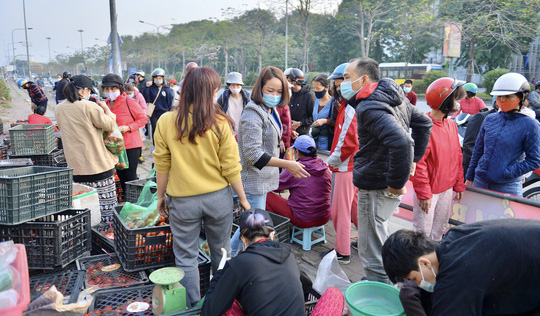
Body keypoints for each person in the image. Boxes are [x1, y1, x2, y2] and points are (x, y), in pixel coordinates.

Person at [153, 67, 250, 307]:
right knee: (222, 252)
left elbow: (162, 164)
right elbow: (231, 166)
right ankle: (222, 304)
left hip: (182, 201)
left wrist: (161, 196)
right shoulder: (219, 122)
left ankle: (193, 307)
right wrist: (243, 199)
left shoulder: (166, 121)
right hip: (218, 199)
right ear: (213, 91)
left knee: (185, 256)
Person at [343, 57, 432, 283]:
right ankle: (387, 285)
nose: (341, 83)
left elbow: (402, 142)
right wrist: (413, 161)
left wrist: (396, 183)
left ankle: (379, 293)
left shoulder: (369, 105)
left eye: (346, 78)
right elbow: (423, 124)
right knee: (379, 235)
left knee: (371, 249)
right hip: (384, 180)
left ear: (363, 79)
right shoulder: (393, 95)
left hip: (376, 184)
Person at [382, 219, 540, 316]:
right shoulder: (455, 236)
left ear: (424, 263)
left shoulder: (458, 276)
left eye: (414, 279)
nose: (417, 284)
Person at [202, 209, 305, 316]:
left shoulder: (238, 264)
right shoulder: (289, 255)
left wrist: (219, 273)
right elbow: (306, 285)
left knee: (228, 303)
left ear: (243, 239)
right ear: (272, 235)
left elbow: (209, 311)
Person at [238, 66, 309, 210]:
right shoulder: (253, 113)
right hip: (254, 182)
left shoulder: (271, 109)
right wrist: (287, 164)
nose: (275, 95)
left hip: (264, 179)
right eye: (270, 91)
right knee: (254, 228)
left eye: (280, 92)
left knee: (252, 228)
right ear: (260, 88)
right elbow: (253, 154)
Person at [55, 75, 118, 221]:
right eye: (88, 90)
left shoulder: (59, 108)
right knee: (106, 211)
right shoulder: (89, 106)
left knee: (85, 211)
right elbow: (109, 125)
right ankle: (106, 238)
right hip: (98, 166)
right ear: (83, 91)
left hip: (76, 167)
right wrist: (107, 110)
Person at [465, 72, 540, 196]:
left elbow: (534, 160)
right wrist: (470, 176)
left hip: (508, 186)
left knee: (504, 217)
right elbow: (478, 150)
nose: (502, 100)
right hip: (480, 181)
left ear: (521, 97)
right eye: (499, 97)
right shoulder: (490, 119)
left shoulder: (531, 125)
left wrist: (506, 172)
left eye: (507, 96)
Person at [411, 78, 466, 241]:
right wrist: (424, 193)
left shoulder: (451, 125)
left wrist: (459, 183)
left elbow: (457, 156)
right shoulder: (424, 126)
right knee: (422, 233)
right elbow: (417, 163)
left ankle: (434, 263)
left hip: (446, 189)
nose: (458, 103)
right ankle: (418, 264)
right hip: (429, 191)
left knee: (439, 230)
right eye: (456, 99)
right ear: (446, 101)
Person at [326, 62, 360, 264]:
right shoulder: (348, 105)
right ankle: (363, 243)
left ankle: (342, 252)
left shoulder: (352, 107)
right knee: (355, 208)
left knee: (340, 210)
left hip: (346, 166)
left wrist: (332, 162)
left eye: (341, 81)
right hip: (353, 165)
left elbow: (348, 141)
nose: (338, 86)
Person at [265, 135, 332, 228]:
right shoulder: (324, 167)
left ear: (297, 152)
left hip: (304, 219)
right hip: (325, 216)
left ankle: (277, 228)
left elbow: (274, 186)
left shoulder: (295, 168)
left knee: (266, 196)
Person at [102, 74, 148, 194]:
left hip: (131, 146)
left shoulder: (129, 101)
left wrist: (128, 127)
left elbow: (143, 119)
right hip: (114, 146)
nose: (110, 92)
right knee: (121, 176)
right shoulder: (105, 104)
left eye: (113, 89)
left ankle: (134, 203)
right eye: (107, 89)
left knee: (130, 177)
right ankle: (128, 202)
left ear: (120, 89)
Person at [462, 96, 498, 177]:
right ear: (496, 102)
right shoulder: (481, 117)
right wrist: (484, 162)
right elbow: (468, 144)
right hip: (474, 171)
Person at [142, 68, 174, 141]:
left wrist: (169, 110)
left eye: (160, 78)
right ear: (153, 79)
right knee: (155, 128)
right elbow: (146, 98)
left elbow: (169, 100)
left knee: (165, 129)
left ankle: (165, 143)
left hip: (164, 112)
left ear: (163, 79)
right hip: (154, 112)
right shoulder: (150, 88)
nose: (158, 79)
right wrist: (146, 87)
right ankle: (155, 144)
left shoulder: (166, 88)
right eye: (156, 78)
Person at [285, 68, 315, 137]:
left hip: (303, 136)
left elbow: (314, 117)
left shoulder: (309, 96)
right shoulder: (289, 94)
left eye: (288, 80)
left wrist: (300, 123)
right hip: (290, 134)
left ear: (294, 82)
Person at [311, 74, 335, 150]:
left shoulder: (334, 103)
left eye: (318, 88)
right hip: (314, 138)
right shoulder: (316, 100)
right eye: (314, 88)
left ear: (327, 87)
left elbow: (338, 123)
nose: (315, 91)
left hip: (326, 140)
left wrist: (325, 121)